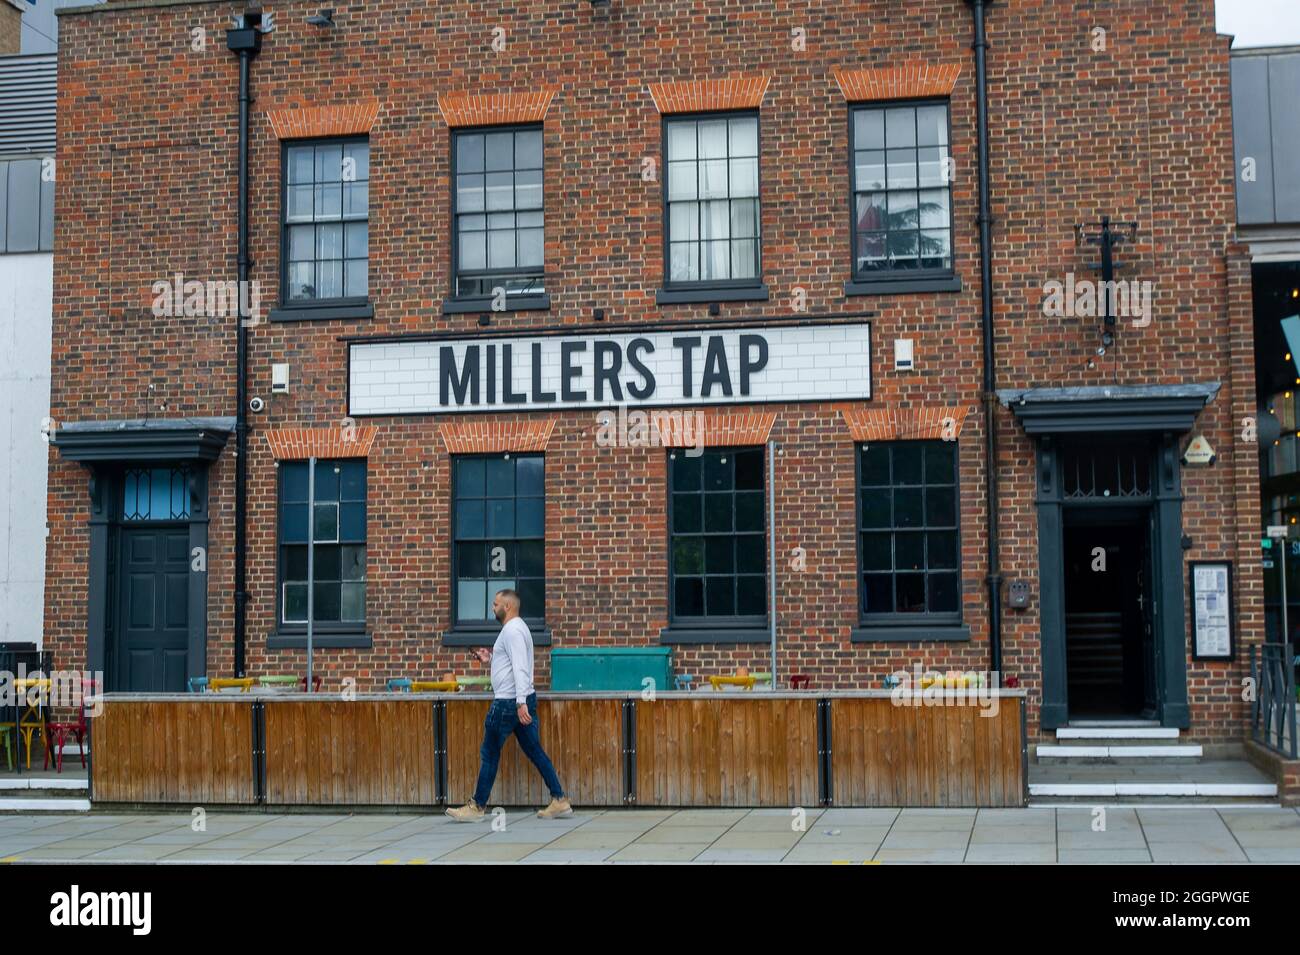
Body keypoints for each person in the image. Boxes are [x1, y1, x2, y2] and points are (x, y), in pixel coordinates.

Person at [446, 589, 572, 821]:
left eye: (496, 604)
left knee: (490, 754)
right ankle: (560, 799)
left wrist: (520, 703)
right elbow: (512, 662)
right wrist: (491, 659)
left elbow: (520, 667)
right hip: (519, 700)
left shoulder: (512, 630)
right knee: (535, 751)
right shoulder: (518, 628)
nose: (492, 608)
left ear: (508, 607)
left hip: (508, 702)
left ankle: (476, 807)